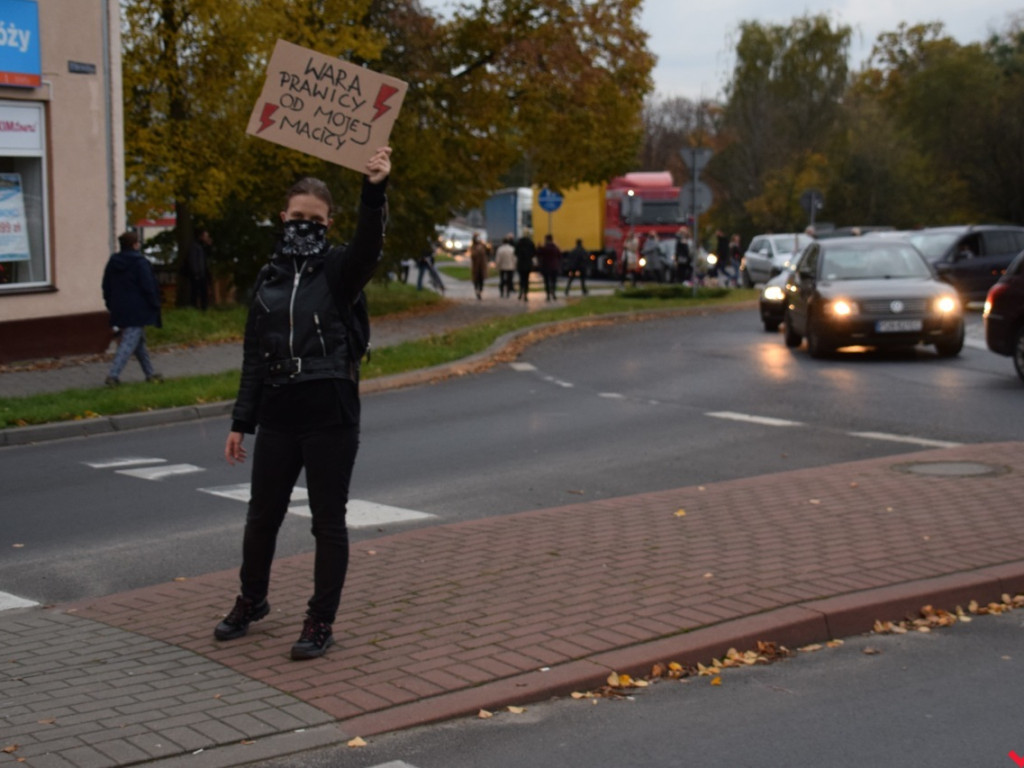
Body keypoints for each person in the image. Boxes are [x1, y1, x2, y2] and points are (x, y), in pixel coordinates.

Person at [216, 146, 392, 661]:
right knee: (261, 517)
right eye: (297, 218)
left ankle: (320, 621)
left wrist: (374, 189)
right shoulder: (268, 279)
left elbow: (369, 244)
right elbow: (254, 353)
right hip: (277, 412)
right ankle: (252, 600)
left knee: (327, 521)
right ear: (282, 218)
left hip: (329, 412)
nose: (305, 227)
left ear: (328, 223)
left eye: (316, 220)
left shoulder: (340, 269)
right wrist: (240, 421)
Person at [101, 230, 163, 387]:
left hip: (120, 307)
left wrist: (110, 303)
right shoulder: (140, 263)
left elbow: (106, 285)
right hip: (138, 308)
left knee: (139, 343)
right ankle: (113, 375)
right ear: (135, 244)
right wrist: (155, 303)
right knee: (128, 343)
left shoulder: (113, 262)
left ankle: (150, 373)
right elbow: (148, 286)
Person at [187, 229, 212, 310]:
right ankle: (195, 308)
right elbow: (193, 261)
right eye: (206, 236)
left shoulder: (202, 247)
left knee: (203, 293)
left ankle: (203, 308)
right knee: (196, 293)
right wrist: (196, 273)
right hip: (198, 274)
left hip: (202, 274)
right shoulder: (195, 247)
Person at [537, 233, 561, 301]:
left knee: (546, 282)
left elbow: (538, 254)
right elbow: (559, 256)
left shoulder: (544, 248)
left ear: (546, 239)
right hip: (554, 267)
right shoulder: (555, 248)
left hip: (546, 267)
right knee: (553, 281)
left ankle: (548, 296)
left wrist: (539, 247)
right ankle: (553, 293)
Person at [514, 231, 536, 301]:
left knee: (521, 279)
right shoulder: (530, 243)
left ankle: (521, 293)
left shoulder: (519, 243)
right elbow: (534, 253)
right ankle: (526, 294)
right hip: (528, 264)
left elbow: (515, 253)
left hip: (521, 264)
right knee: (526, 279)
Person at [494, 234, 516, 298]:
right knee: (509, 280)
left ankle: (501, 292)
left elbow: (498, 259)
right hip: (510, 267)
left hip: (502, 267)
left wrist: (497, 266)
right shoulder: (512, 249)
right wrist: (514, 265)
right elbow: (514, 258)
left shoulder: (500, 249)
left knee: (502, 280)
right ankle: (508, 292)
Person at [469, 233, 489, 299]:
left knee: (481, 280)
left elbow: (488, 252)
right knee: (476, 280)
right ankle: (477, 291)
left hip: (482, 266)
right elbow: (473, 256)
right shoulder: (473, 247)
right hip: (476, 267)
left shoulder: (483, 246)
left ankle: (480, 291)